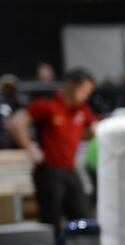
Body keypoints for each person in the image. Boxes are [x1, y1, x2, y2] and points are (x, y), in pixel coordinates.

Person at [5, 68, 97, 233]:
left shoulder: (82, 110)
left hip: (70, 170)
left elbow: (92, 131)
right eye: (83, 91)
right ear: (71, 85)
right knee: (51, 222)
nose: (85, 96)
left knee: (83, 217)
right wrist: (31, 149)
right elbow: (15, 124)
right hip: (49, 171)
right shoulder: (47, 105)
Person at [0, 74, 22, 149]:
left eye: (11, 88)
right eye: (7, 87)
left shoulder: (19, 102)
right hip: (4, 138)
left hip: (15, 138)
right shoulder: (3, 102)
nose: (9, 90)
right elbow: (5, 122)